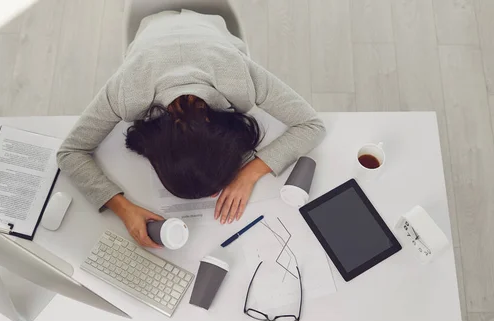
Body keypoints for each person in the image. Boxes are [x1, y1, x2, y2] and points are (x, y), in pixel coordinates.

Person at [57, 10, 325, 248]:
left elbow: (312, 125)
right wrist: (123, 208)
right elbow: (69, 152)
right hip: (154, 28)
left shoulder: (239, 75)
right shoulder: (127, 90)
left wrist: (248, 174)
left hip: (209, 27)